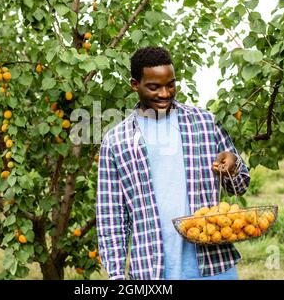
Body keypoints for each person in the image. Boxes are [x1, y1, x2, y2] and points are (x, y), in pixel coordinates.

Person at [96, 46, 250, 280]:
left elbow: (240, 185)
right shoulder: (117, 141)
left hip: (213, 266)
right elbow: (111, 217)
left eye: (171, 85)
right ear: (134, 84)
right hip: (153, 270)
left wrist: (233, 165)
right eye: (154, 87)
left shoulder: (205, 123)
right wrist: (116, 276)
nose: (165, 94)